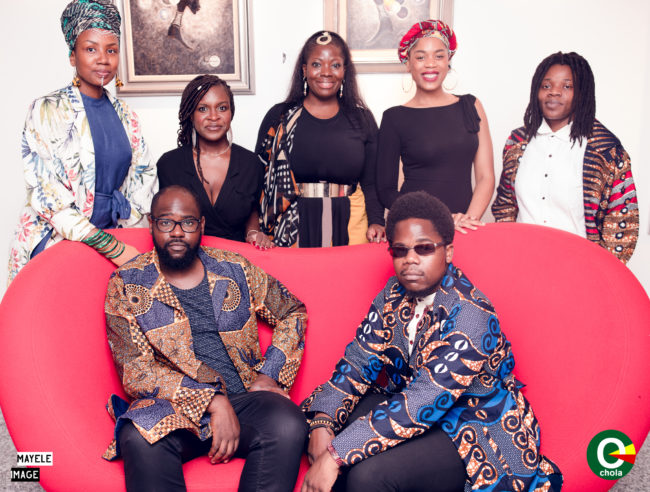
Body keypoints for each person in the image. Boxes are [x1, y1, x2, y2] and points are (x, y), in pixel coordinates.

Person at [301, 191, 562, 492]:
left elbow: (424, 399)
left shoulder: (471, 314)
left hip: (472, 427)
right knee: (317, 424)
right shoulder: (392, 294)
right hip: (410, 408)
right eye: (400, 250)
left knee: (367, 475)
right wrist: (323, 422)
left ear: (448, 252)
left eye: (424, 248)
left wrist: (336, 455)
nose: (410, 259)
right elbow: (358, 362)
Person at [102, 185, 308, 492]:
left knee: (288, 422)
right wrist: (211, 401)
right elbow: (136, 371)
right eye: (166, 222)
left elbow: (292, 311)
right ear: (151, 224)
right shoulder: (127, 283)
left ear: (201, 225)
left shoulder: (235, 268)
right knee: (139, 435)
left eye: (187, 222)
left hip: (244, 401)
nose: (176, 232)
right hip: (172, 408)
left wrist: (269, 374)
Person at [7, 0, 157, 283]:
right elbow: (47, 195)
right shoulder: (47, 109)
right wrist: (112, 247)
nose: (103, 59)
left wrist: (128, 239)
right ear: (72, 56)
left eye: (111, 50)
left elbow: (143, 180)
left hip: (113, 240)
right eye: (91, 49)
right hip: (56, 242)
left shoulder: (127, 116)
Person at [492, 51, 638, 263]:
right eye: (546, 86)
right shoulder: (517, 142)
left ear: (582, 93)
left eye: (567, 86)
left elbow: (622, 225)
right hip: (522, 263)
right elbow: (505, 206)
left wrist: (598, 272)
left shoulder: (606, 150)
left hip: (579, 268)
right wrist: (509, 252)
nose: (554, 92)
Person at [256, 31, 386, 248]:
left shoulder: (362, 119)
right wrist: (256, 229)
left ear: (344, 71)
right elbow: (259, 176)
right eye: (317, 64)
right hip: (289, 228)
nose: (326, 72)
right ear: (304, 70)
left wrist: (376, 221)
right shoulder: (280, 117)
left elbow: (371, 182)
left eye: (335, 65)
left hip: (352, 225)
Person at [375, 20, 494, 234]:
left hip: (465, 227)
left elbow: (486, 177)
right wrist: (435, 219)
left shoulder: (471, 106)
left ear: (448, 61)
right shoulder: (393, 118)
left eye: (439, 56)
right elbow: (385, 191)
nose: (430, 64)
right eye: (420, 57)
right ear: (408, 64)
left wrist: (468, 220)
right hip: (416, 230)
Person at [157, 75, 272, 249]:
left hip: (237, 258)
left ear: (231, 112)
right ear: (190, 114)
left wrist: (254, 233)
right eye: (203, 109)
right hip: (186, 259)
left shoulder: (251, 164)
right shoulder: (169, 164)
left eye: (222, 108)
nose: (213, 117)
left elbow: (252, 212)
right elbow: (162, 222)